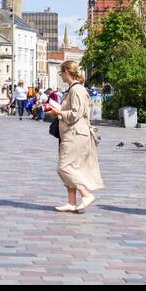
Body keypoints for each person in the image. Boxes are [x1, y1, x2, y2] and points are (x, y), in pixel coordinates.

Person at [44, 60, 102, 212]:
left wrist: (59, 113)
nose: (60, 76)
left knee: (64, 167)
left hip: (75, 134)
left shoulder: (76, 90)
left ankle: (86, 194)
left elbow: (76, 113)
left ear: (67, 72)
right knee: (71, 167)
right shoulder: (73, 89)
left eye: (61, 73)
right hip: (71, 133)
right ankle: (71, 202)